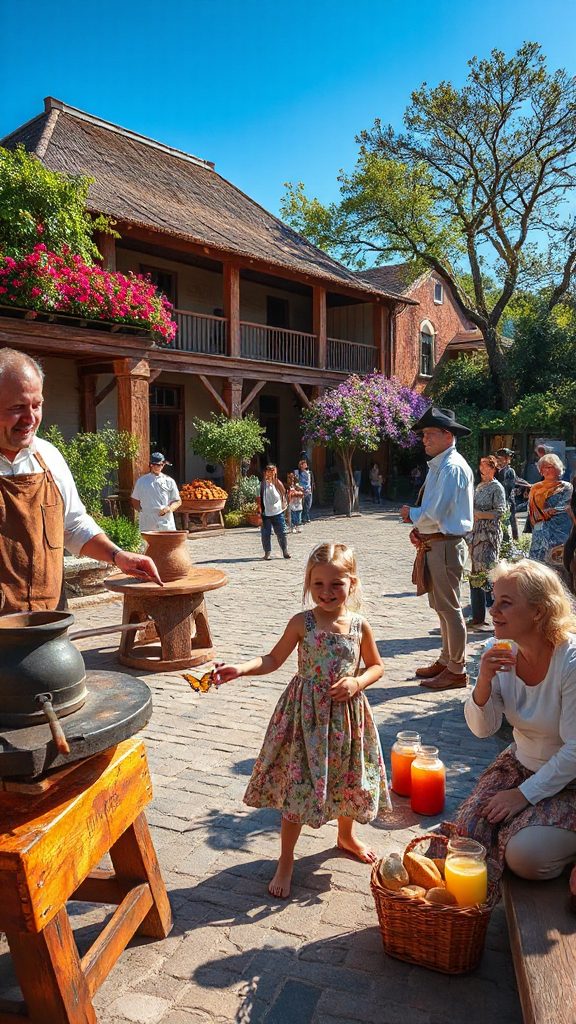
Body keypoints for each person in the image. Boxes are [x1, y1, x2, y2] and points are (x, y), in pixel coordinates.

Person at [214, 542, 391, 898]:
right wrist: (241, 669)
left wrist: (357, 681)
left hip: (345, 719)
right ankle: (286, 860)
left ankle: (346, 835)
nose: (327, 592)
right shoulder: (302, 623)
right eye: (318, 584)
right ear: (309, 584)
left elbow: (377, 666)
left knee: (347, 779)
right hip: (304, 719)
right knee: (298, 786)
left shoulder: (359, 626)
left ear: (352, 583)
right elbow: (272, 659)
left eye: (336, 584)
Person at [0, 348, 161, 614]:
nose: (30, 419)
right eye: (17, 408)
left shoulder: (49, 456)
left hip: (48, 622)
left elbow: (72, 525)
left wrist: (118, 555)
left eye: (37, 405)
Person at [447, 559, 576, 889]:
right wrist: (483, 682)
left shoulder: (570, 659)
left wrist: (523, 795)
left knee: (525, 857)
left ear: (539, 611)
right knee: (467, 833)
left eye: (505, 603)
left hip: (570, 782)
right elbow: (483, 729)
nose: (492, 610)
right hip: (520, 766)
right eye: (493, 600)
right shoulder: (497, 650)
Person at [400, 406, 474, 691]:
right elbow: (436, 513)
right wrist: (420, 529)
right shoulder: (442, 465)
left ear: (447, 435)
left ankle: (456, 668)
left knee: (450, 608)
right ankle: (447, 661)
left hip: (446, 544)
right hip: (438, 544)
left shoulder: (451, 467)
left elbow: (436, 513)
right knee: (442, 607)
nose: (424, 439)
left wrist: (413, 515)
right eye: (424, 434)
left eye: (429, 434)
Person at [468, 456, 506, 628]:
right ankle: (477, 617)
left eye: (485, 466)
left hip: (489, 534)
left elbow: (500, 512)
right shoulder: (479, 486)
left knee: (488, 574)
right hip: (476, 533)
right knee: (475, 573)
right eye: (480, 465)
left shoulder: (496, 487)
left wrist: (479, 514)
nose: (481, 469)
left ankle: (497, 616)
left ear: (493, 468)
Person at [528, 453, 572, 565]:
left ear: (558, 468)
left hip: (559, 533)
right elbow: (532, 511)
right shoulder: (535, 488)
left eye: (550, 467)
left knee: (558, 566)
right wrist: (539, 518)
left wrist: (547, 513)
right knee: (538, 567)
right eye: (543, 467)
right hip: (539, 533)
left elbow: (564, 506)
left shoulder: (566, 487)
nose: (546, 470)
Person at [130, 453, 181, 532]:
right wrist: (143, 511)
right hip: (147, 521)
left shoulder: (169, 481)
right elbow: (135, 499)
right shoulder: (142, 481)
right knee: (147, 543)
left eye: (161, 465)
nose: (158, 467)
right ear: (151, 465)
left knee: (166, 543)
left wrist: (169, 508)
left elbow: (178, 501)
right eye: (156, 465)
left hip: (165, 521)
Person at [259, 464, 290, 560]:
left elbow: (283, 494)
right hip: (266, 513)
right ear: (265, 473)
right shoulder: (262, 485)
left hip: (277, 511)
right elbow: (259, 497)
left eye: (273, 471)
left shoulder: (277, 483)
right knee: (266, 533)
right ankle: (267, 552)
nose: (271, 473)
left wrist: (285, 506)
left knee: (281, 532)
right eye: (269, 471)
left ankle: (285, 551)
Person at [495, 447, 518, 540]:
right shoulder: (495, 470)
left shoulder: (510, 471)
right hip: (496, 500)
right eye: (499, 458)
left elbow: (508, 486)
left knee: (509, 522)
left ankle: (511, 543)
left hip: (507, 500)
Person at [295, 458, 314, 524]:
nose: (306, 465)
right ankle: (304, 518)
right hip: (302, 490)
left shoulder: (309, 472)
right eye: (304, 464)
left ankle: (306, 517)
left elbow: (310, 481)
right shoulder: (298, 472)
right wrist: (299, 487)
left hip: (308, 490)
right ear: (301, 465)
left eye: (306, 464)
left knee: (308, 504)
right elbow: (296, 481)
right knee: (302, 505)